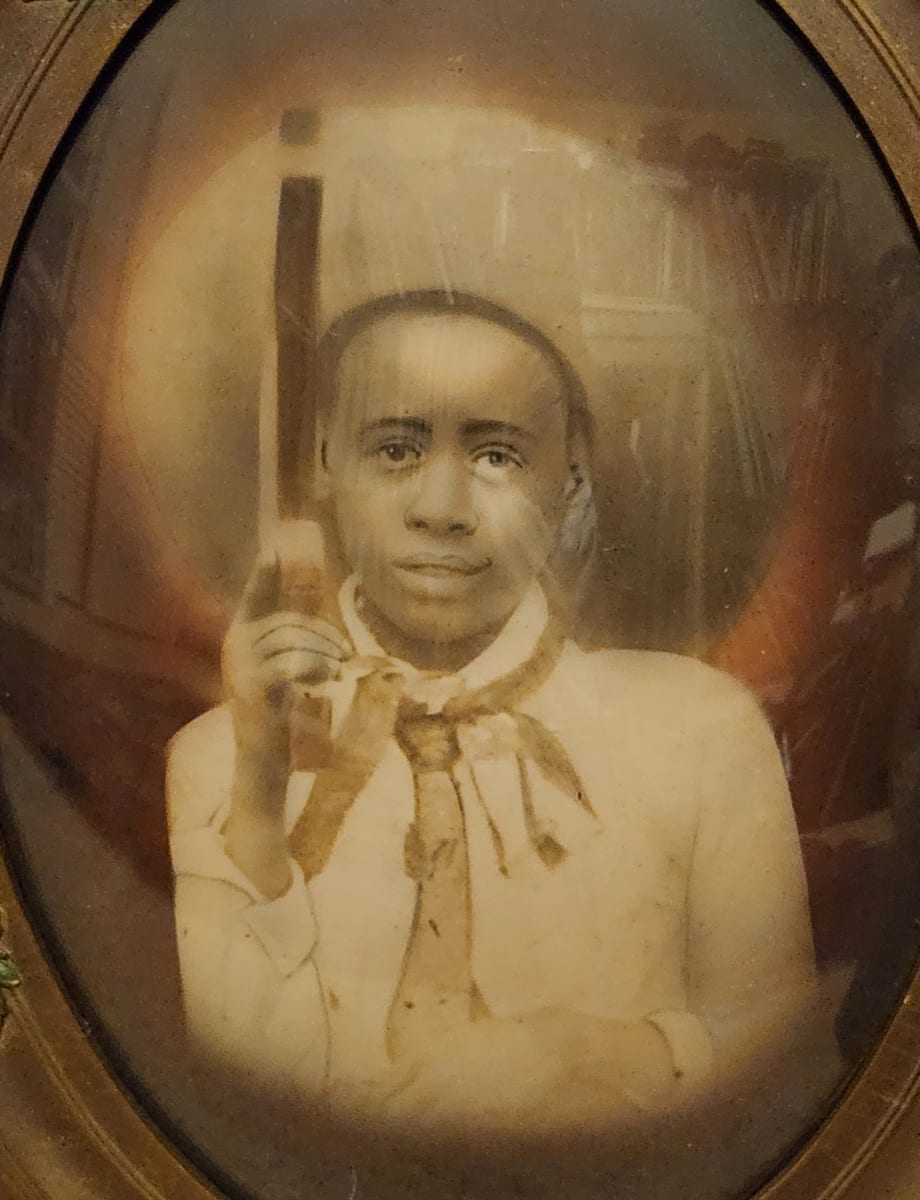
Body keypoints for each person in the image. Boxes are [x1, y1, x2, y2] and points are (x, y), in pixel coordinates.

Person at [167, 289, 826, 1147]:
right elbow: (233, 1113)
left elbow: (789, 1072)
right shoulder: (222, 755)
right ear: (326, 462)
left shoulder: (698, 731)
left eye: (498, 456)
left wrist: (609, 1057)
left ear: (571, 478)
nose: (441, 507)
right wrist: (258, 798)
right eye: (396, 448)